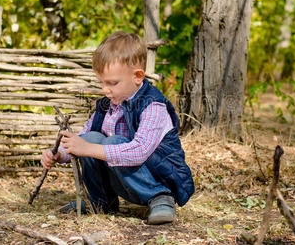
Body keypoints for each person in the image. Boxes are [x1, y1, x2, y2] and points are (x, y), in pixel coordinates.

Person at [41, 31, 194, 224]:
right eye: (101, 82)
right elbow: (84, 138)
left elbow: (139, 151)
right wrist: (61, 154)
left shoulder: (153, 106)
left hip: (156, 177)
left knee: (112, 142)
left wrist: (89, 148)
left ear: (138, 76)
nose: (105, 90)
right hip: (123, 180)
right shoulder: (107, 105)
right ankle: (101, 202)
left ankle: (160, 199)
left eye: (112, 83)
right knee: (91, 138)